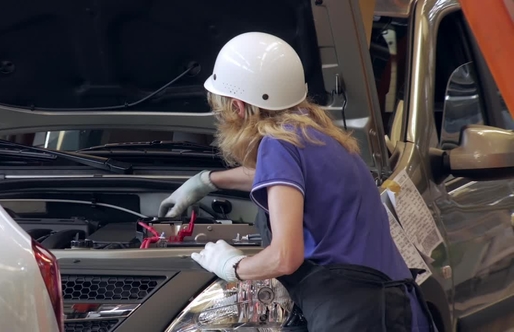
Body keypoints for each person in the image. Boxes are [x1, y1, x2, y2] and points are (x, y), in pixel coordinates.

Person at [158, 32, 435, 331]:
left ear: (237, 107)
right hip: (387, 303)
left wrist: (233, 267)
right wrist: (206, 181)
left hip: (356, 313)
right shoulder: (313, 133)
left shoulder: (277, 145)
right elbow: (277, 179)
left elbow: (285, 257)